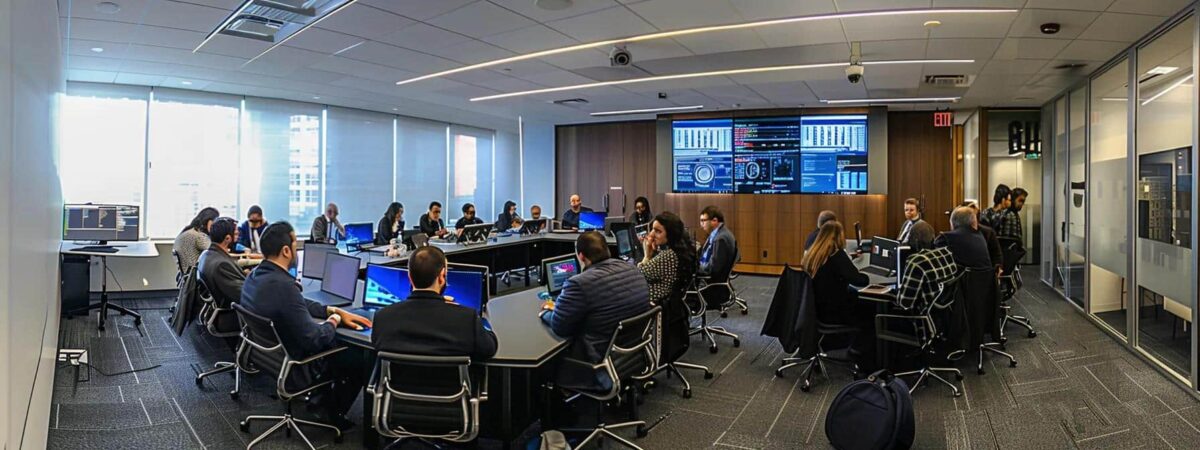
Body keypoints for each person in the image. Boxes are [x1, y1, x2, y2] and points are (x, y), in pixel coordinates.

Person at [239, 222, 372, 429]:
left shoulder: (255, 277)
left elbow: (298, 303)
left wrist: (331, 311)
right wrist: (334, 321)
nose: (296, 251)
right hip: (296, 364)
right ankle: (330, 412)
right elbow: (316, 339)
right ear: (285, 250)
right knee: (357, 355)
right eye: (294, 245)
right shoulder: (284, 287)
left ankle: (320, 401)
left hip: (268, 357)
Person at [539, 231, 652, 392]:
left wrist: (547, 312)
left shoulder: (579, 283)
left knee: (548, 361)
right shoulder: (633, 269)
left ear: (581, 256)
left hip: (598, 360)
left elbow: (560, 327)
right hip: (631, 353)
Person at [371, 246, 498, 359]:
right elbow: (490, 348)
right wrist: (483, 320)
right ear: (442, 276)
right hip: (450, 386)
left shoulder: (382, 317)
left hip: (393, 386)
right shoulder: (466, 318)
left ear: (409, 277)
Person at [798, 220, 876, 370]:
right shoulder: (837, 255)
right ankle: (860, 353)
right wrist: (868, 275)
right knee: (872, 311)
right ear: (838, 237)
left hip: (815, 311)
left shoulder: (813, 255)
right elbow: (859, 280)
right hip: (834, 314)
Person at [197, 217, 245, 351]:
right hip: (230, 316)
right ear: (228, 238)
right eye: (236, 233)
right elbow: (244, 296)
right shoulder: (221, 264)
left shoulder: (207, 254)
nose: (238, 236)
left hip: (218, 309)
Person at [638, 212, 697, 305]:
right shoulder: (680, 252)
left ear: (670, 234)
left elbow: (637, 276)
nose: (652, 234)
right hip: (671, 307)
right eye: (653, 230)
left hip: (654, 306)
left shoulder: (669, 256)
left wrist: (646, 257)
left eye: (658, 231)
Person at [961, 201, 1003, 275]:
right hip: (963, 271)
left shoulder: (988, 232)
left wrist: (998, 268)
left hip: (984, 271)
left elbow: (997, 255)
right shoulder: (958, 233)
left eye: (974, 216)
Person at [174, 207, 220, 274]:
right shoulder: (198, 236)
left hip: (186, 277)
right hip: (195, 277)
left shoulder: (188, 231)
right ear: (209, 222)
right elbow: (215, 253)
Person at [698, 206, 737, 280]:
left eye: (703, 220)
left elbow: (714, 268)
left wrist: (696, 267)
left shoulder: (720, 239)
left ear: (714, 221)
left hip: (711, 280)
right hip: (709, 271)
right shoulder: (720, 233)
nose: (701, 224)